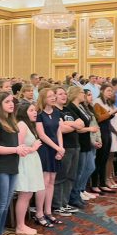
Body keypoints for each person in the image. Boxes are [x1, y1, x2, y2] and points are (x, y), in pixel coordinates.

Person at [0, 92, 25, 235]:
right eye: (7, 102)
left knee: (6, 202)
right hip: (0, 167)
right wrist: (16, 149)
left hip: (11, 166)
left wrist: (22, 149)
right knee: (0, 204)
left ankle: (0, 233)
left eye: (12, 101)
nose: (11, 104)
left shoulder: (11, 122)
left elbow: (14, 146)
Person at [35, 88, 65, 225]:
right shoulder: (40, 114)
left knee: (52, 181)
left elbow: (59, 132)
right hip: (46, 150)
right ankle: (39, 213)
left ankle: (48, 211)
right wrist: (57, 147)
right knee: (44, 182)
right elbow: (42, 135)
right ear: (43, 99)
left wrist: (61, 148)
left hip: (56, 149)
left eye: (54, 96)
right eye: (50, 96)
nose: (53, 98)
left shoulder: (57, 112)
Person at [53, 86, 85, 214]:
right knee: (61, 177)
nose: (64, 96)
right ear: (54, 96)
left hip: (75, 145)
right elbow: (62, 129)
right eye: (60, 94)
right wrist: (74, 125)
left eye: (65, 94)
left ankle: (65, 203)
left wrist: (69, 124)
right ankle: (57, 205)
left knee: (71, 176)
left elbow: (82, 123)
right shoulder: (55, 111)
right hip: (64, 147)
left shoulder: (67, 110)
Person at [14, 103, 44, 234]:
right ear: (23, 112)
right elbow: (18, 147)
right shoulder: (21, 125)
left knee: (29, 193)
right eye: (31, 110)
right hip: (25, 162)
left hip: (31, 161)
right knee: (25, 194)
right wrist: (33, 148)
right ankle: (20, 226)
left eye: (35, 110)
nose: (35, 112)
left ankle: (22, 224)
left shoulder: (28, 125)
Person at [91, 84, 117, 194]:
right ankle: (95, 184)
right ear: (102, 91)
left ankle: (102, 183)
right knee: (99, 159)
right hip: (100, 131)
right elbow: (99, 118)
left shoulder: (108, 103)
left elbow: (108, 118)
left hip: (107, 131)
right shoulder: (97, 101)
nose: (110, 92)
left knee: (104, 159)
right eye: (108, 90)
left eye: (111, 91)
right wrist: (111, 113)